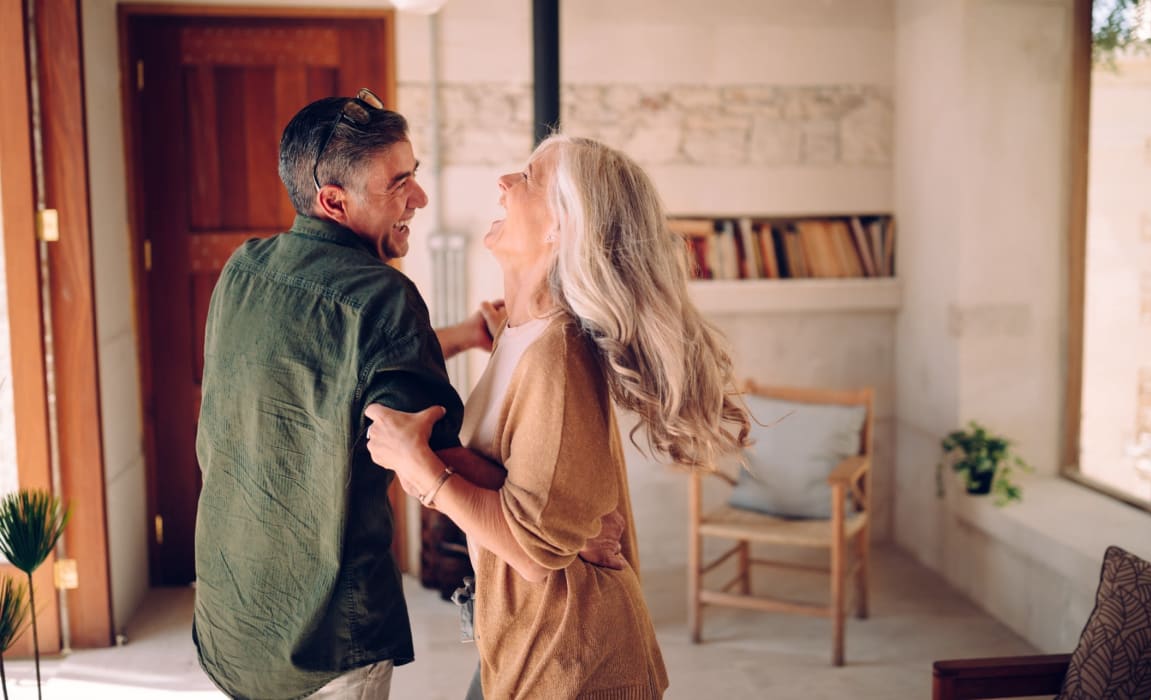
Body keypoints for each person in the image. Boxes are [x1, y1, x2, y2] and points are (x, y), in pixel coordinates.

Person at [364, 134, 753, 699]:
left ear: (562, 227)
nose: (504, 184)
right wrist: (573, 528)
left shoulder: (556, 354)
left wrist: (422, 471)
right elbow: (533, 494)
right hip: (533, 643)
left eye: (528, 177)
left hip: (574, 662)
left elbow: (531, 549)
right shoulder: (522, 335)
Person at [193, 88, 507, 699]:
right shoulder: (385, 298)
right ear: (333, 200)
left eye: (413, 175)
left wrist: (465, 336)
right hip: (325, 635)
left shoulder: (245, 269)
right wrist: (556, 513)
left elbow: (337, 364)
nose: (418, 197)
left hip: (229, 616)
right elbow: (432, 465)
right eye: (398, 184)